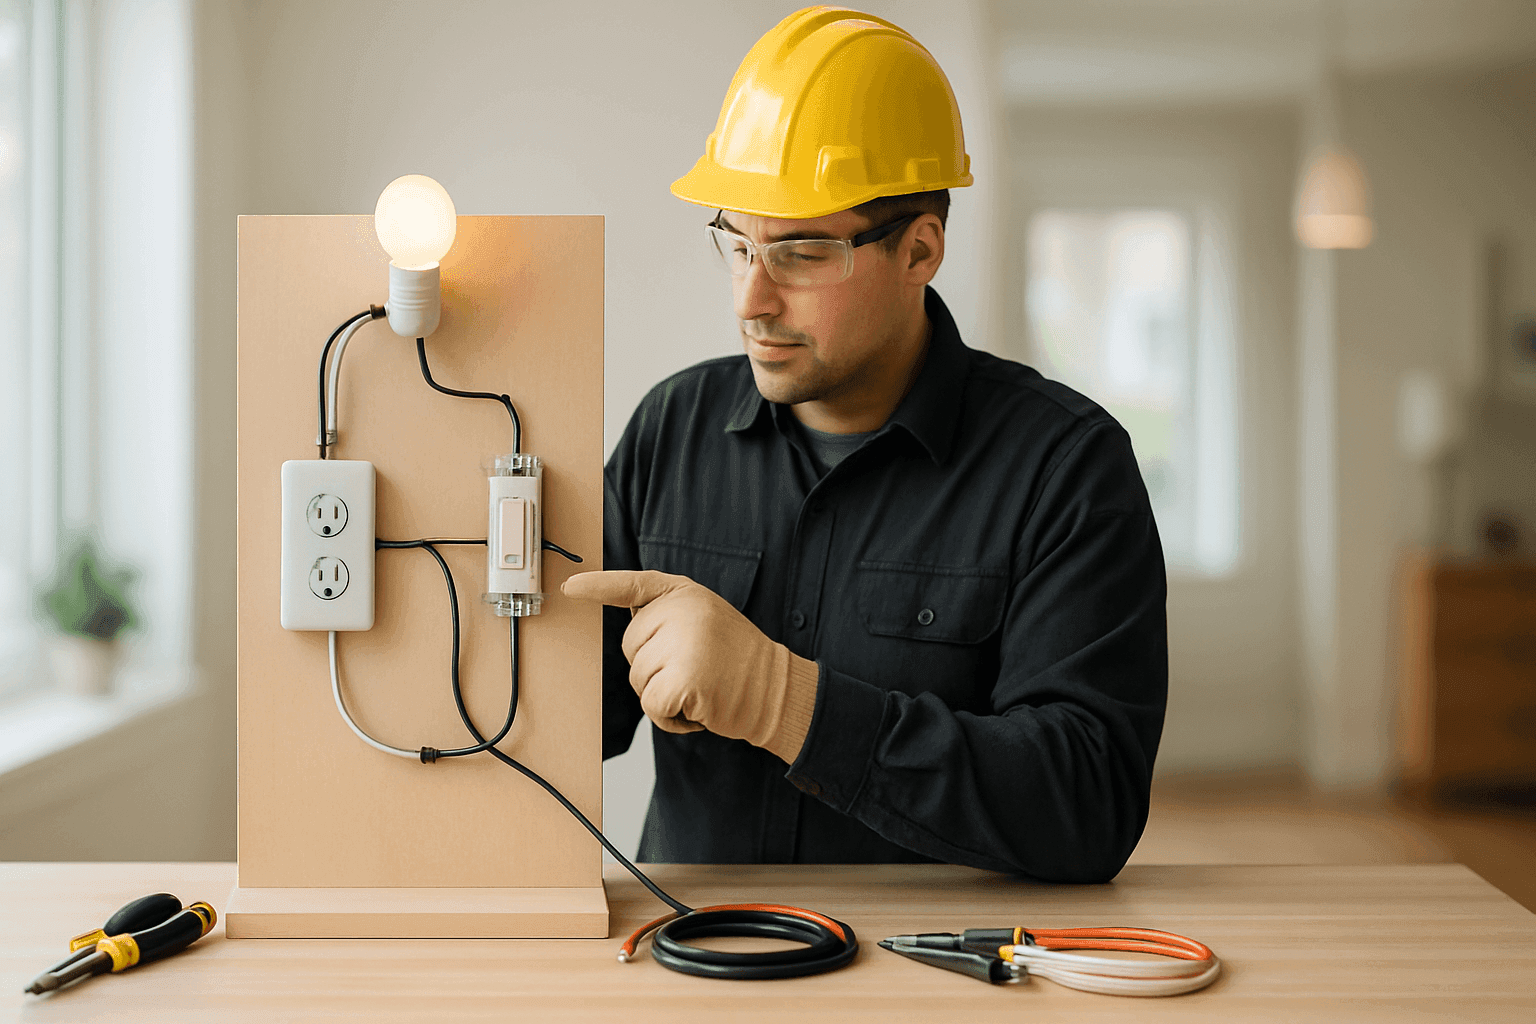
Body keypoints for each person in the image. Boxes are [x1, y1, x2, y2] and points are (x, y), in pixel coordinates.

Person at [562, 6, 1166, 883]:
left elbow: (1089, 804)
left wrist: (786, 702)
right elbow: (553, 723)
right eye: (736, 244)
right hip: (694, 967)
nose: (750, 300)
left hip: (937, 977)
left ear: (919, 250)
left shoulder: (1065, 470)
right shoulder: (672, 430)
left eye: (801, 253)